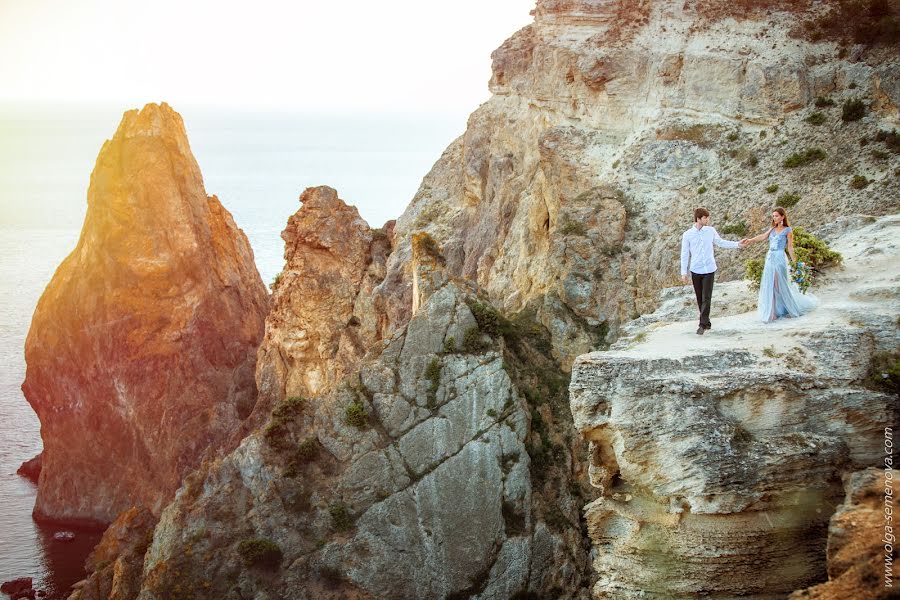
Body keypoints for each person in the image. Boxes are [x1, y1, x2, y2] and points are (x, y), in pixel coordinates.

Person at [740, 207, 818, 323]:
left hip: (780, 257)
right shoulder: (772, 229)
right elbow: (762, 237)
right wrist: (750, 240)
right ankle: (772, 313)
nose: (774, 218)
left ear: (782, 216)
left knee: (779, 284)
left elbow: (790, 247)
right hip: (770, 258)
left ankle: (792, 310)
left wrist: (795, 262)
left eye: (776, 216)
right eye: (773, 216)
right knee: (770, 284)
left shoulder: (788, 230)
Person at [680, 207, 747, 335]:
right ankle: (707, 322)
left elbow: (720, 242)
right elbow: (684, 254)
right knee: (700, 298)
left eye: (707, 217)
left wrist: (738, 244)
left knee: (707, 297)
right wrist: (684, 272)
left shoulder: (711, 231)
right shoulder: (687, 234)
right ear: (698, 219)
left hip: (709, 269)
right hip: (696, 269)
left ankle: (702, 325)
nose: (707, 220)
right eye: (705, 218)